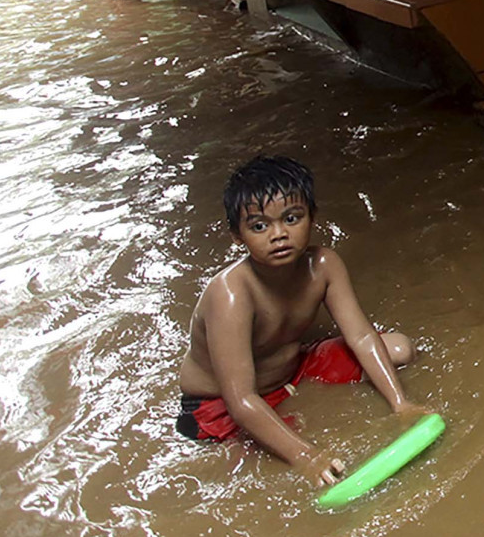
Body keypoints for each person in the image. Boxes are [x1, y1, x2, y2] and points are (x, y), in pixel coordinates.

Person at [176, 156, 421, 486]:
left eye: (291, 218)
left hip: (293, 369)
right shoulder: (231, 295)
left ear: (312, 218)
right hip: (222, 401)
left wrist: (401, 404)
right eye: (260, 226)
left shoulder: (323, 265)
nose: (279, 234)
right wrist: (307, 457)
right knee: (252, 472)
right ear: (238, 235)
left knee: (399, 349)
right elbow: (241, 400)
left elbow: (361, 337)